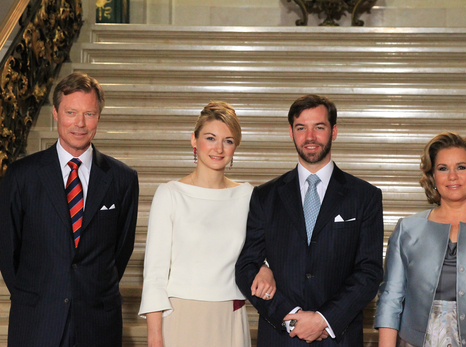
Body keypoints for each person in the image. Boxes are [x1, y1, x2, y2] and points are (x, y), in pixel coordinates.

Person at [0, 72, 139, 346]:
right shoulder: (21, 176)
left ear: (98, 116)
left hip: (97, 322)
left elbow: (121, 250)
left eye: (89, 113)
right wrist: (38, 295)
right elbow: (7, 251)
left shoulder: (122, 178)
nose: (80, 123)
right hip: (36, 321)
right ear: (55, 113)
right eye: (71, 112)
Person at [235, 94, 384, 346]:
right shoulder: (265, 196)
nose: (310, 136)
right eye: (301, 128)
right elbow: (246, 267)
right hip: (281, 336)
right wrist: (291, 317)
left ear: (334, 131)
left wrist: (324, 319)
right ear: (291, 133)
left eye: (319, 127)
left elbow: (369, 272)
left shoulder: (365, 196)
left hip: (339, 336)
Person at [138, 101, 275, 347]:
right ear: (194, 140)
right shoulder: (170, 194)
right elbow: (154, 275)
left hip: (229, 318)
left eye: (228, 141)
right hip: (180, 318)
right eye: (210, 138)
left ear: (236, 147)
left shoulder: (247, 196)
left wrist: (265, 266)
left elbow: (259, 251)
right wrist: (154, 335)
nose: (219, 148)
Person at [375, 132, 466, 347]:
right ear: (433, 177)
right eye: (443, 168)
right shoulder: (407, 229)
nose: (452, 176)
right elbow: (391, 298)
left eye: (461, 167)